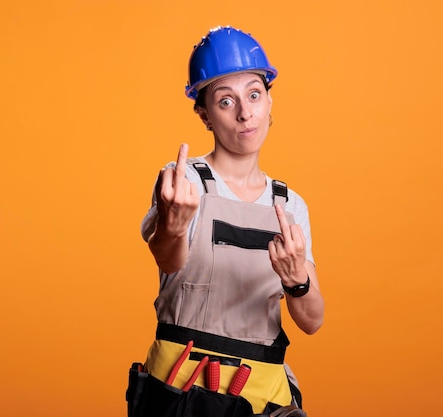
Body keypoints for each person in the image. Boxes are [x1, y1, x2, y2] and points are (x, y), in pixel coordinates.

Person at [126, 26, 324, 417]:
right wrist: (174, 225)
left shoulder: (289, 205)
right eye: (225, 101)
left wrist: (295, 279)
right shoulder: (184, 182)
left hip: (263, 392)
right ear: (204, 114)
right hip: (180, 388)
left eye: (254, 94)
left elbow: (312, 320)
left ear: (269, 101)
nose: (245, 113)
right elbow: (167, 260)